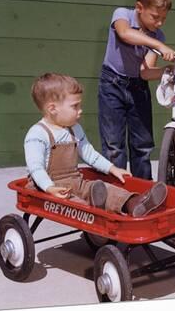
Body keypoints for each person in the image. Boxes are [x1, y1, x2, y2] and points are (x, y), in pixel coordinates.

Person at [24, 72, 167, 217]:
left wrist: (112, 168)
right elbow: (36, 167)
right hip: (47, 185)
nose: (80, 111)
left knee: (103, 188)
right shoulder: (38, 134)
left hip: (75, 180)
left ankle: (134, 203)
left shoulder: (74, 128)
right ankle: (97, 211)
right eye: (75, 106)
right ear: (52, 109)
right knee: (76, 204)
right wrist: (49, 187)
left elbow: (89, 153)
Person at [98, 0, 175, 180]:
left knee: (142, 146)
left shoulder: (157, 35)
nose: (159, 23)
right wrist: (159, 47)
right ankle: (116, 193)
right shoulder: (122, 15)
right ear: (139, 7)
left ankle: (143, 192)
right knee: (114, 145)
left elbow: (145, 71)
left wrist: (166, 70)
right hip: (112, 85)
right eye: (155, 17)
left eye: (164, 19)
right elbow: (124, 34)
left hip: (138, 88)